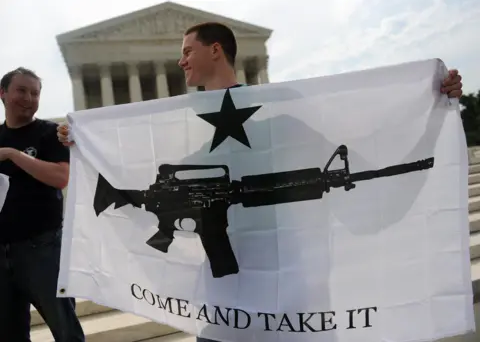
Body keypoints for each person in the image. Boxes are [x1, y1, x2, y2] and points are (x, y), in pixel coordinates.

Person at [57, 22, 464, 342]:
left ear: (215, 50)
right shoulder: (182, 128)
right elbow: (139, 170)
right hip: (225, 299)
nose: (180, 61)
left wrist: (433, 100)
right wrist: (83, 143)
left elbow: (361, 139)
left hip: (293, 288)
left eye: (187, 51)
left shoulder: (281, 112)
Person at [0, 67, 85, 341]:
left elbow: (61, 177)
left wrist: (14, 155)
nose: (29, 98)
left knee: (66, 330)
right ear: (3, 94)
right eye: (21, 91)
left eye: (35, 93)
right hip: (2, 252)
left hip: (43, 250)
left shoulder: (52, 133)